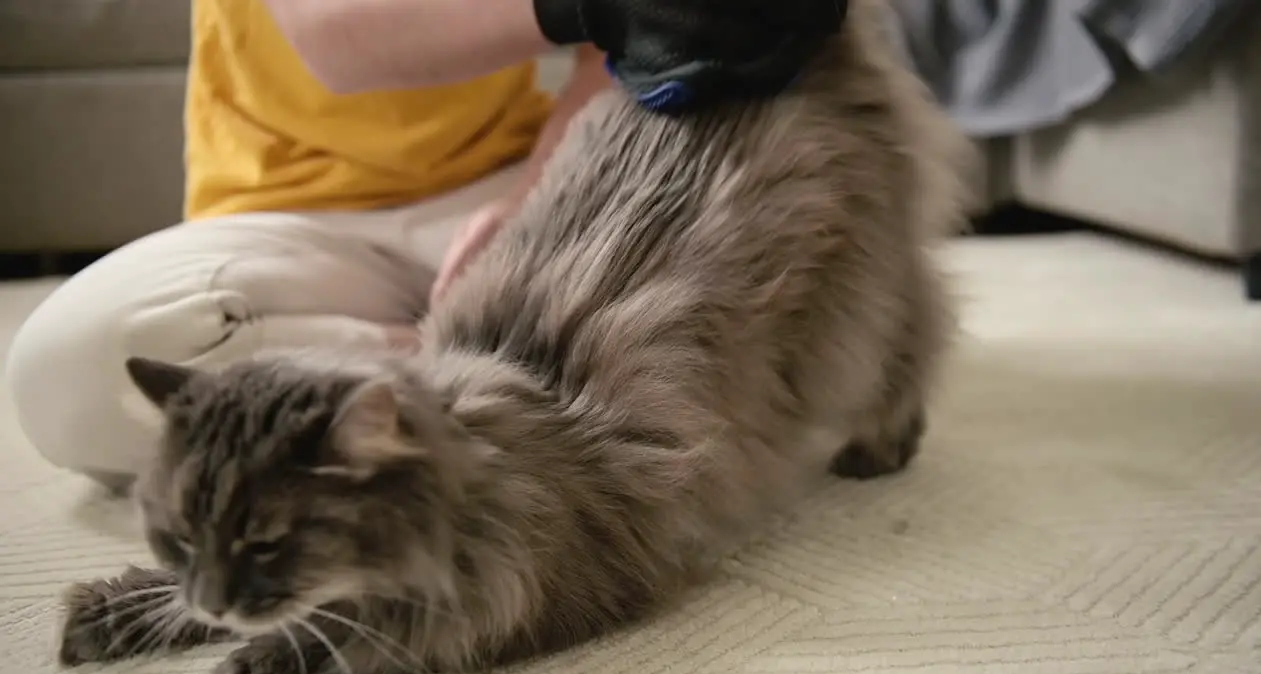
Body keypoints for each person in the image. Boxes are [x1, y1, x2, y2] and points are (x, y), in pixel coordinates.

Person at [4, 0, 848, 490]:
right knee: (68, 374)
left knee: (784, 213)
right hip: (291, 223)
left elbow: (623, 55)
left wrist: (529, 206)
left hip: (507, 190)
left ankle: (458, 395)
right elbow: (333, 35)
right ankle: (486, 387)